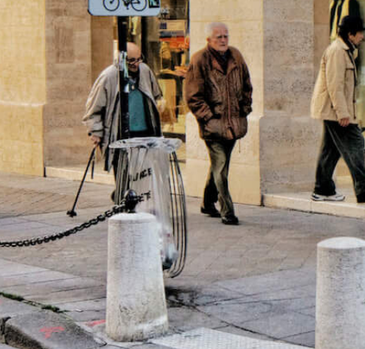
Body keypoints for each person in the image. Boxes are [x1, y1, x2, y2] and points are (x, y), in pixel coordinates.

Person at [309, 11, 365, 204]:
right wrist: (342, 113)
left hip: (333, 110)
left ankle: (323, 189)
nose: (363, 36)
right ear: (350, 34)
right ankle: (363, 186)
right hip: (334, 111)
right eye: (360, 33)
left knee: (331, 150)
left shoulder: (345, 50)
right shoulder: (337, 52)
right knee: (356, 142)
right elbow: (335, 85)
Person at [183, 22, 251, 225]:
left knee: (218, 165)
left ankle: (207, 202)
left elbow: (247, 85)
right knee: (221, 168)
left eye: (225, 36)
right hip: (213, 127)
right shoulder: (199, 60)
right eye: (218, 37)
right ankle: (227, 211)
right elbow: (193, 95)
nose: (223, 40)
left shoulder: (236, 56)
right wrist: (208, 117)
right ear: (208, 40)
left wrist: (244, 109)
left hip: (233, 125)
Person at [82, 41, 163, 198]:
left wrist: (159, 104)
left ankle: (135, 201)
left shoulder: (145, 71)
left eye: (139, 59)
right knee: (123, 172)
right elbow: (93, 108)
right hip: (119, 133)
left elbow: (156, 93)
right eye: (131, 60)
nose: (136, 64)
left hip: (145, 131)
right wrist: (95, 131)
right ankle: (121, 200)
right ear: (121, 59)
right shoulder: (109, 76)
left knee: (142, 173)